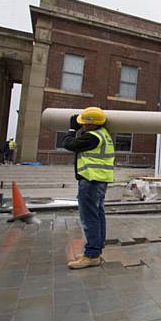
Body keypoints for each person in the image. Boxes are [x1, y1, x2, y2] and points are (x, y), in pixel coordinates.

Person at [63, 107, 115, 269]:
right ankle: (95, 251)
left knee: (89, 218)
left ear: (92, 124)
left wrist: (72, 129)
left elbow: (68, 144)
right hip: (99, 181)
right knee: (98, 216)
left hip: (91, 181)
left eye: (84, 124)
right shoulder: (104, 134)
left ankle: (92, 255)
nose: (82, 126)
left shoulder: (92, 137)